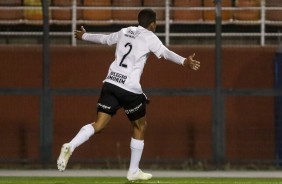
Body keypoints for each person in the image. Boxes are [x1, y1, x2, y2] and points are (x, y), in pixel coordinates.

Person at [57, 8, 200, 181]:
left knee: (99, 124)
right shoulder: (150, 37)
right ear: (153, 24)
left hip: (110, 83)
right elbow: (165, 53)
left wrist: (84, 36)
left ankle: (70, 146)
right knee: (140, 126)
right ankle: (133, 171)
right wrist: (184, 61)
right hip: (129, 88)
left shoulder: (125, 31)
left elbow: (105, 39)